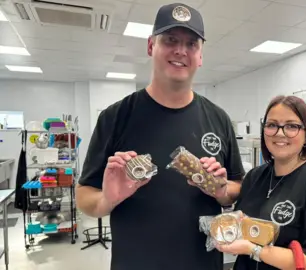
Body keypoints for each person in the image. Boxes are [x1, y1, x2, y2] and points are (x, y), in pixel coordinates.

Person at [75, 3, 245, 270]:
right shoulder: (115, 117)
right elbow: (84, 194)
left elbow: (236, 187)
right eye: (171, 40)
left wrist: (221, 190)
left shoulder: (218, 118)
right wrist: (109, 200)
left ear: (200, 56)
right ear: (151, 46)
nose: (181, 50)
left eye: (191, 44)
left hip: (202, 263)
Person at [215, 95, 306, 270]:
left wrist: (254, 250)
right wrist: (216, 189)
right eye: (272, 125)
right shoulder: (256, 177)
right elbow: (239, 229)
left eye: (291, 126)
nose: (280, 133)